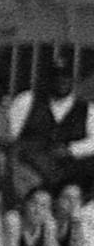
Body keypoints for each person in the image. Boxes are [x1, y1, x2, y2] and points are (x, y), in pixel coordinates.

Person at [8, 62, 93, 194]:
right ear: (48, 79)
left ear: (73, 80)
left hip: (70, 168)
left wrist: (71, 149)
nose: (62, 81)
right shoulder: (27, 100)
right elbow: (12, 134)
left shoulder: (88, 109)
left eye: (66, 77)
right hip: (29, 163)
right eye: (57, 76)